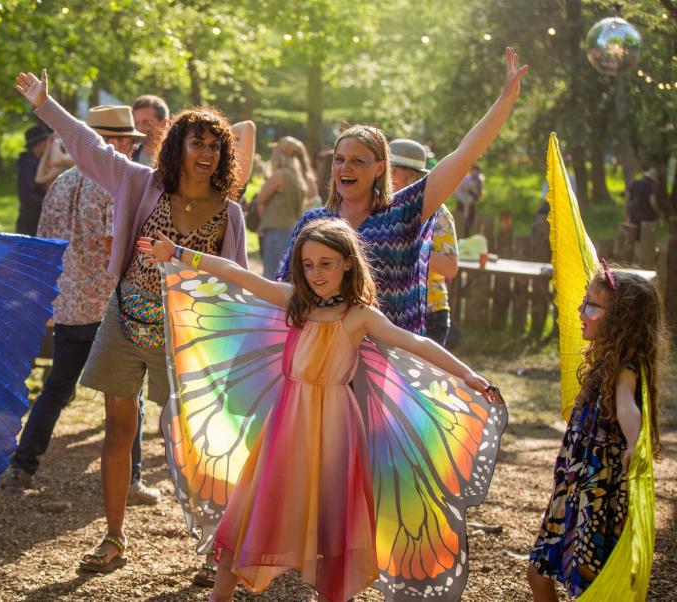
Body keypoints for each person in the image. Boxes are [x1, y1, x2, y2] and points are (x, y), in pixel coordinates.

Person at [136, 218, 502, 602]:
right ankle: (219, 598)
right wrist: (177, 254)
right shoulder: (296, 302)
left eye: (325, 263)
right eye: (308, 265)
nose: (315, 274)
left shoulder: (358, 315)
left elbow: (413, 342)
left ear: (347, 262)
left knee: (331, 527)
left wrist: (466, 373)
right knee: (248, 514)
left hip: (335, 430)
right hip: (286, 425)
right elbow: (234, 273)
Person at [15, 68, 249, 575]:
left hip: (188, 336)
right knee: (118, 428)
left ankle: (214, 544)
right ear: (178, 147)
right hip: (125, 320)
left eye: (215, 146)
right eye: (197, 143)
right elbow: (89, 148)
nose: (206, 154)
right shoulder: (142, 184)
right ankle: (114, 537)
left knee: (196, 442)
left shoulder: (228, 213)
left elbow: (234, 283)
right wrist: (45, 105)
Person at [275, 47, 528, 336]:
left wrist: (505, 100)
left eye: (358, 161)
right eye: (340, 160)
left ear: (380, 168)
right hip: (323, 358)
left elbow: (463, 157)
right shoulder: (312, 223)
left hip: (387, 362)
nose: (346, 168)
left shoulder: (402, 212)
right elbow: (285, 291)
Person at [1, 105, 160, 505]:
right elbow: (113, 248)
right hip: (108, 305)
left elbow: (46, 243)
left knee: (57, 387)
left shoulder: (60, 183)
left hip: (70, 303)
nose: (130, 149)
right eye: (126, 141)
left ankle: (23, 465)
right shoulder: (112, 187)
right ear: (111, 143)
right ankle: (133, 478)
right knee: (127, 394)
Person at [527, 266, 664, 600]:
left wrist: (635, 442)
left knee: (586, 585)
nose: (581, 312)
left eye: (591, 306)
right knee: (537, 572)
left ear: (620, 320)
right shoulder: (606, 358)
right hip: (573, 487)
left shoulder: (625, 367)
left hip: (596, 495)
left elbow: (627, 407)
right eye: (584, 302)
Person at [389, 138, 458, 346]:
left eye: (393, 171)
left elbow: (450, 267)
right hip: (391, 311)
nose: (384, 177)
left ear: (412, 177)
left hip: (428, 313)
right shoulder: (383, 208)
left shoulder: (438, 212)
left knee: (425, 380)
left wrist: (410, 243)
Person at [256, 140, 306, 278]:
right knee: (284, 277)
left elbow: (260, 199)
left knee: (271, 277)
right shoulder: (298, 178)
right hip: (291, 229)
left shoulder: (280, 175)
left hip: (276, 232)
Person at [16, 123, 52, 234]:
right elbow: (26, 193)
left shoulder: (36, 161)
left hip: (35, 216)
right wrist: (45, 204)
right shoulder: (28, 163)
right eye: (45, 141)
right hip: (30, 218)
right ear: (39, 144)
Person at [131, 94, 170, 167]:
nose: (140, 129)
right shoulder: (130, 156)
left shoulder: (179, 155)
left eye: (147, 123)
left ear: (164, 123)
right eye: (136, 124)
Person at [454, 164, 483, 236]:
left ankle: (465, 217)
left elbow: (477, 193)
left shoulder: (479, 180)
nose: (474, 172)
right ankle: (464, 217)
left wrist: (470, 188)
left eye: (476, 171)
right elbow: (462, 188)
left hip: (472, 198)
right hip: (463, 198)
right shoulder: (467, 178)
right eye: (473, 170)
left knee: (468, 204)